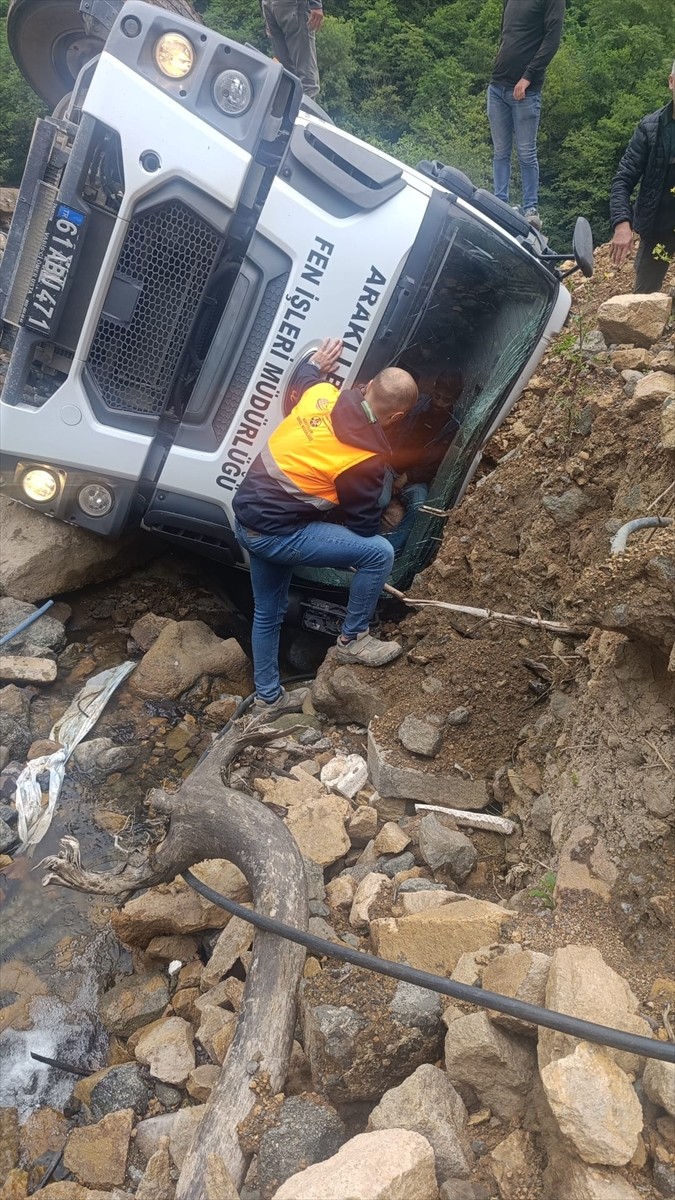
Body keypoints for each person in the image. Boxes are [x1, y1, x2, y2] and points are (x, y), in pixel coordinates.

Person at [233, 339, 419, 717]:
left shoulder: (321, 394)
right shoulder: (365, 459)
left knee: (267, 613)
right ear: (397, 418)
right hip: (278, 534)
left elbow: (304, 375)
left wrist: (318, 363)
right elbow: (364, 528)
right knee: (378, 553)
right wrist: (383, 497)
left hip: (246, 521)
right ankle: (354, 639)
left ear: (366, 385)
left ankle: (268, 699)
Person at [487, 0, 565, 229]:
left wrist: (528, 76)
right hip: (497, 85)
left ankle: (531, 208)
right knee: (500, 151)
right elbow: (507, 32)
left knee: (526, 152)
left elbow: (552, 41)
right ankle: (499, 202)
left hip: (526, 91)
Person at [609, 63, 675, 293]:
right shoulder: (651, 129)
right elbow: (622, 181)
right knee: (643, 301)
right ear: (671, 82)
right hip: (657, 228)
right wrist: (622, 224)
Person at [262, 0, 323, 100]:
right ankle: (303, 114)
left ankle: (286, 114)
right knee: (307, 81)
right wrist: (316, 4)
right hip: (292, 5)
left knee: (287, 75)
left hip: (269, 5)